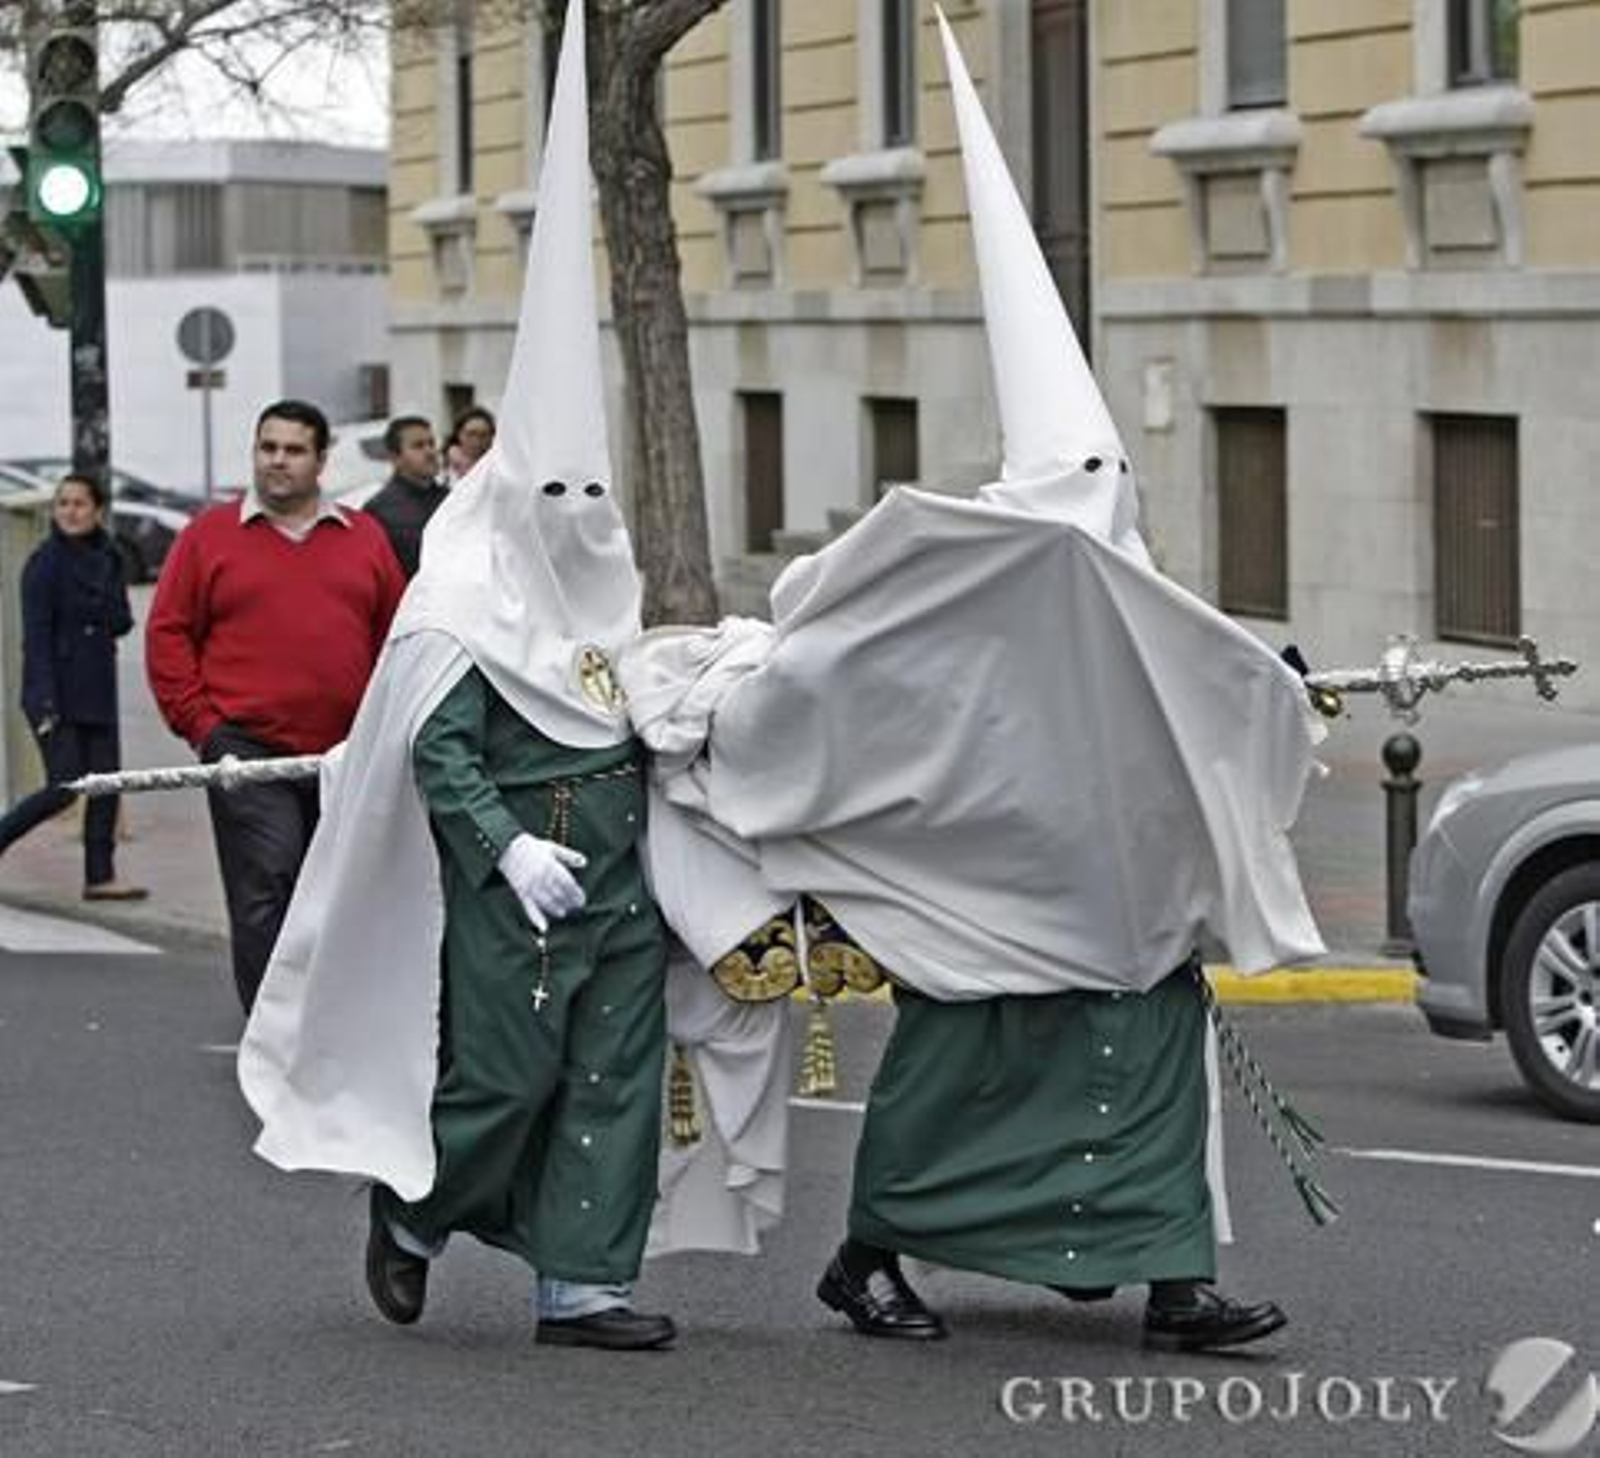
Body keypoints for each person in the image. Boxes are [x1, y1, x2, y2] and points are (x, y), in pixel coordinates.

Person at [618, 13, 1323, 1353]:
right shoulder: (969, 567)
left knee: (1154, 1082)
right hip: (982, 908)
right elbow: (865, 675)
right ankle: (868, 1255)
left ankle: (1173, 1284)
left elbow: (1191, 693)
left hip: (1117, 916)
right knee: (952, 1089)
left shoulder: (1123, 580)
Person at [238, 3, 675, 1353]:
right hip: (523, 875)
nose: (578, 510)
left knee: (614, 1072)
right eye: (556, 489)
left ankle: (583, 1281)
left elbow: (636, 696)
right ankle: (415, 1209)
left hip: (620, 867)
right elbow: (438, 747)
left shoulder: (607, 588)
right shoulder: (461, 603)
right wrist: (503, 850)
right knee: (508, 1071)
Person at [146, 398, 406, 1012]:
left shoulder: (364, 538)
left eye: (293, 450)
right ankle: (273, 1028)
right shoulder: (209, 537)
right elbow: (168, 633)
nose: (277, 462)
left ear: (321, 460)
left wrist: (386, 729)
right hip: (245, 746)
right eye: (267, 448)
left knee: (335, 892)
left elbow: (397, 639)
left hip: (343, 753)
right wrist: (204, 729)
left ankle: (327, 1020)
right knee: (268, 876)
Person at [0, 473, 145, 900]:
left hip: (97, 686)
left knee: (104, 783)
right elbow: (37, 637)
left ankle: (100, 876)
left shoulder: (110, 556)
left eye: (79, 504)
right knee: (64, 787)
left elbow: (120, 621)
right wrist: (44, 702)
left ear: (97, 509)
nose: (70, 511)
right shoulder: (44, 563)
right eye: (63, 503)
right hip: (54, 692)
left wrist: (106, 602)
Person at [363, 415, 447, 579]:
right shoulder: (378, 510)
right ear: (395, 457)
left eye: (431, 443)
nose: (430, 452)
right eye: (418, 446)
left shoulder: (453, 499)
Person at [444, 405, 495, 485]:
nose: (477, 441)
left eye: (483, 435)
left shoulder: (496, 468)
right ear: (459, 434)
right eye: (471, 434)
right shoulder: (442, 466)